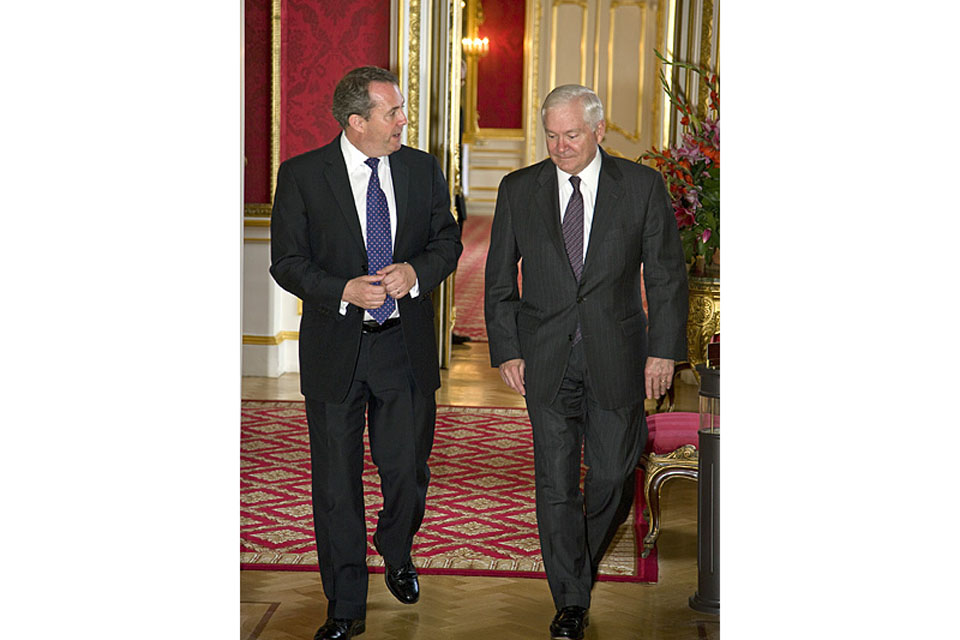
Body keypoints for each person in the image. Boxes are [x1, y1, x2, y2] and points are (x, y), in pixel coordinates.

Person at [484, 84, 687, 640]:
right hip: (544, 360)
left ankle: (576, 560)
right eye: (550, 135)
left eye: (571, 134)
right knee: (554, 483)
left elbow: (667, 276)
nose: (560, 146)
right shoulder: (518, 189)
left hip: (618, 355)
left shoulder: (641, 187)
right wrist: (507, 349)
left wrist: (663, 351)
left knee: (615, 475)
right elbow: (499, 281)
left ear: (598, 130)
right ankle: (570, 600)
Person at [270, 65, 462, 640]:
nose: (404, 120)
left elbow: (447, 241)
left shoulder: (422, 168)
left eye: (401, 110)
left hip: (403, 347)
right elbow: (286, 262)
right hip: (337, 349)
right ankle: (346, 605)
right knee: (336, 484)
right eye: (392, 112)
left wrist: (415, 272)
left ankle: (395, 546)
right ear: (357, 122)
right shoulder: (302, 175)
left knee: (406, 471)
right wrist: (343, 290)